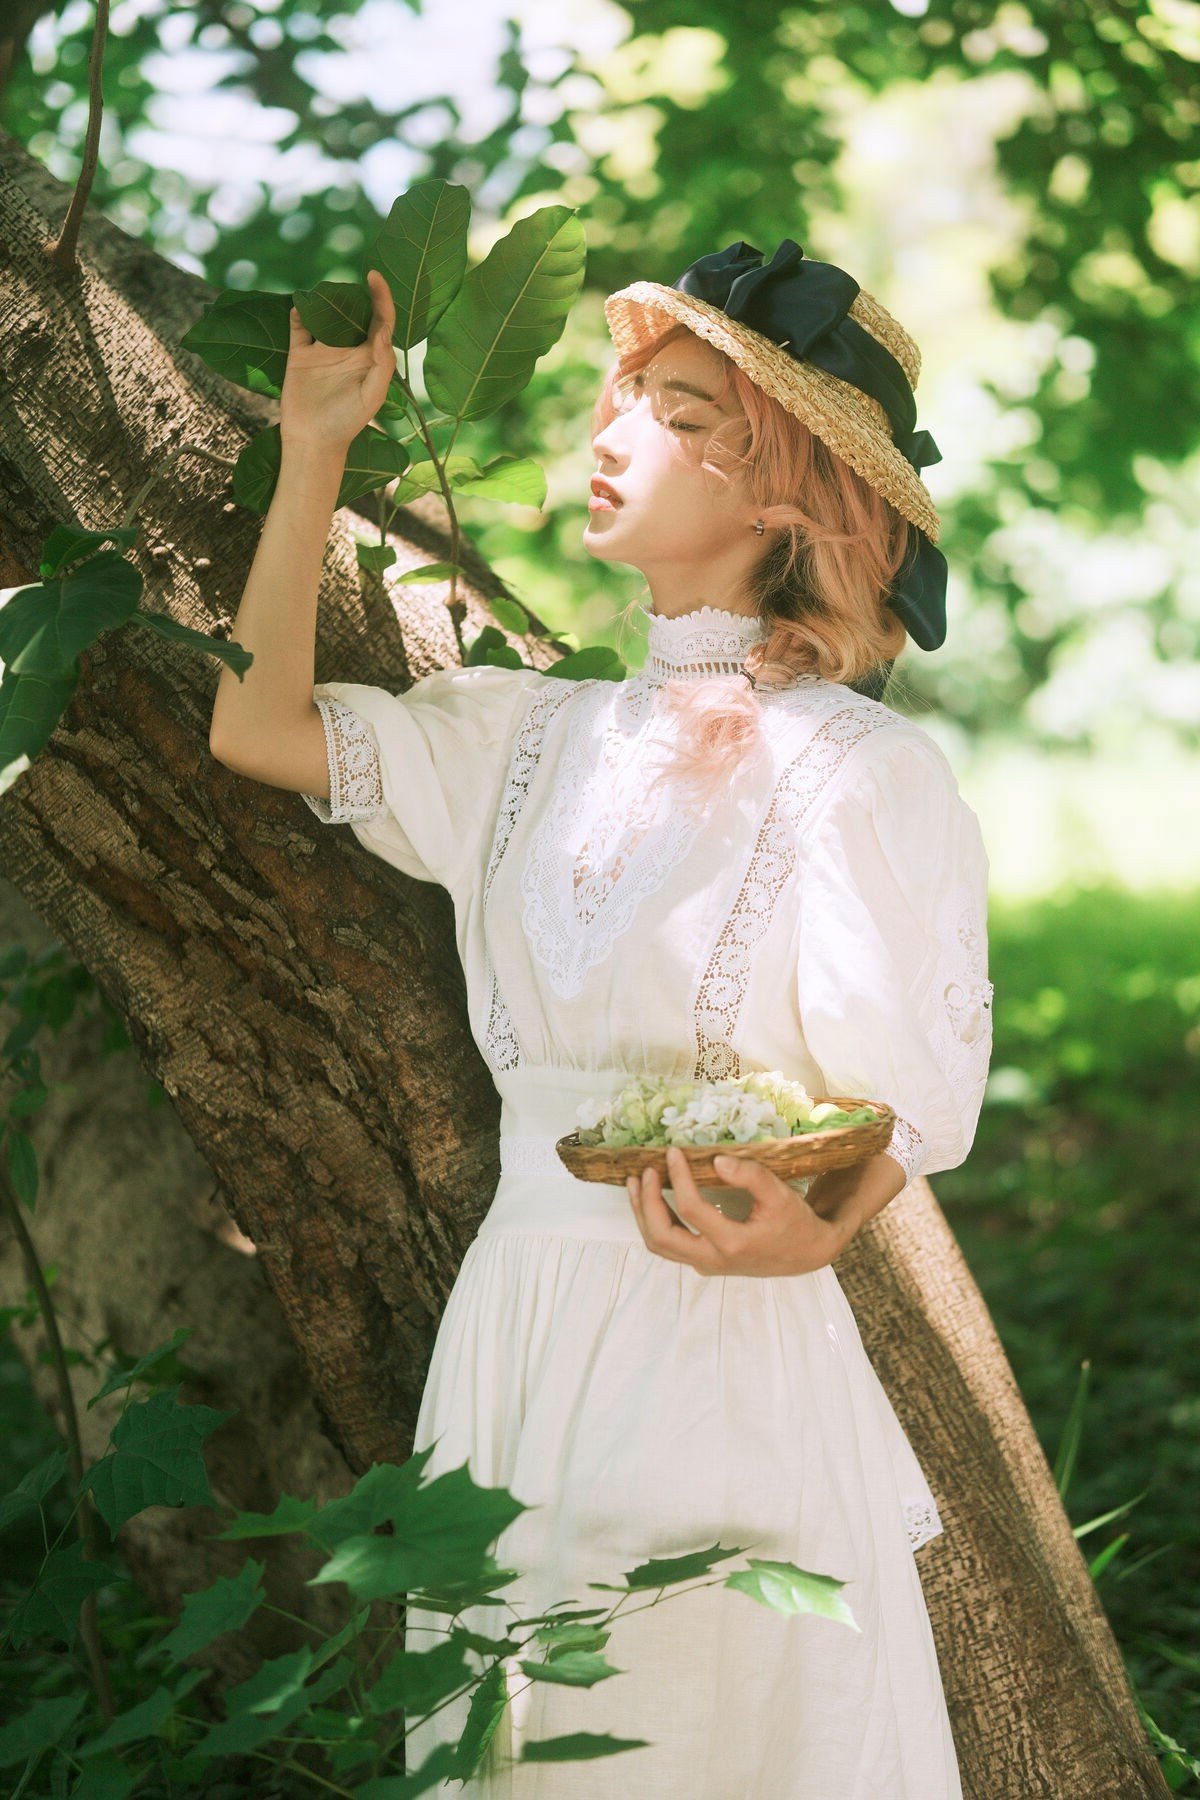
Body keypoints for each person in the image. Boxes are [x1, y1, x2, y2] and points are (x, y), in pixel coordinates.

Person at [208, 239, 993, 1797]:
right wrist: (312, 456)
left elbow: (905, 1097)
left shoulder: (861, 770)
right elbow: (257, 724)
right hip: (516, 1324)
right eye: (623, 398)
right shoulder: (524, 737)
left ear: (782, 495)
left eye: (680, 413)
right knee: (522, 1753)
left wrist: (821, 1234)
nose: (615, 431)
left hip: (723, 1336)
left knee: (704, 1742)